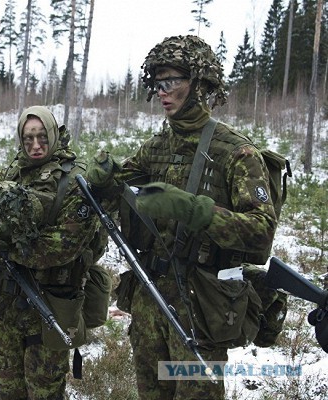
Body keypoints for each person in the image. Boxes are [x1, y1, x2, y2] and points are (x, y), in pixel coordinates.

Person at [86, 35, 277, 399]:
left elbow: (260, 234)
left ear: (201, 84)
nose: (162, 92)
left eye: (172, 81)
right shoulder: (155, 148)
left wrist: (193, 210)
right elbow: (122, 195)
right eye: (158, 84)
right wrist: (106, 181)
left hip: (201, 304)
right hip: (151, 295)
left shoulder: (235, 152)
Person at [0, 106, 100, 399]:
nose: (35, 145)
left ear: (52, 134)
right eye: (28, 138)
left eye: (42, 137)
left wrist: (4, 250)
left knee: (44, 391)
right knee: (7, 389)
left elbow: (65, 245)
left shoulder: (74, 179)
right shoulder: (11, 173)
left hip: (50, 303)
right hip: (6, 305)